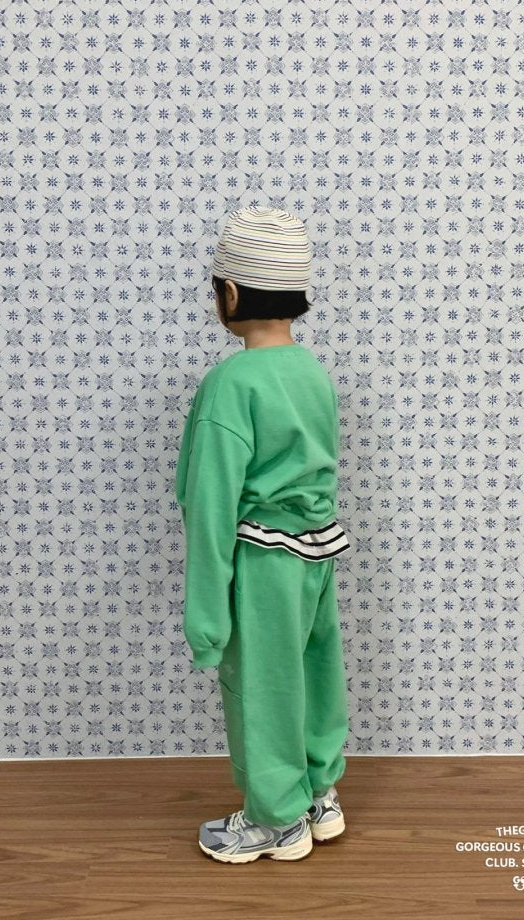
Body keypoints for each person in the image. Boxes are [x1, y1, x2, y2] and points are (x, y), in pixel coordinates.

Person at [175, 205, 351, 864]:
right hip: (316, 551)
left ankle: (275, 820)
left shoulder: (231, 384)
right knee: (312, 670)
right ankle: (318, 793)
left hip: (262, 560)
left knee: (263, 686)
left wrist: (206, 617)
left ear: (229, 293)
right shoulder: (312, 372)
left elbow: (211, 501)